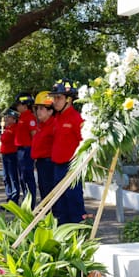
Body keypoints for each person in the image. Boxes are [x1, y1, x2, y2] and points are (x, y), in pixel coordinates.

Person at [49, 79, 87, 224]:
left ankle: (78, 233)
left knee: (74, 202)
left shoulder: (76, 119)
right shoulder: (57, 118)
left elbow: (84, 144)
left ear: (69, 99)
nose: (55, 101)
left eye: (58, 97)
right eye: (54, 98)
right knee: (60, 203)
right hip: (57, 166)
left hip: (71, 168)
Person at [31, 91, 56, 201]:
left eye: (41, 108)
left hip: (49, 164)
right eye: (37, 108)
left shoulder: (54, 125)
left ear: (50, 111)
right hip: (41, 163)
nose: (38, 111)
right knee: (43, 192)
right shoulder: (41, 125)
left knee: (49, 193)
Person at [14, 93, 37, 205]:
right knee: (22, 177)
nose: (17, 107)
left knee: (27, 177)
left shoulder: (30, 117)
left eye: (19, 104)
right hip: (20, 151)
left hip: (26, 151)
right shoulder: (22, 117)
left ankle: (31, 202)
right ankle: (26, 199)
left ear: (25, 105)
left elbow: (34, 134)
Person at [0, 109, 21, 204]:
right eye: (6, 117)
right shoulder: (7, 128)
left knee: (13, 177)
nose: (6, 119)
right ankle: (9, 198)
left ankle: (14, 199)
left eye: (8, 117)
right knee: (6, 177)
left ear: (14, 119)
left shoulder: (15, 128)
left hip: (12, 155)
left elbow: (5, 139)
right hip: (5, 155)